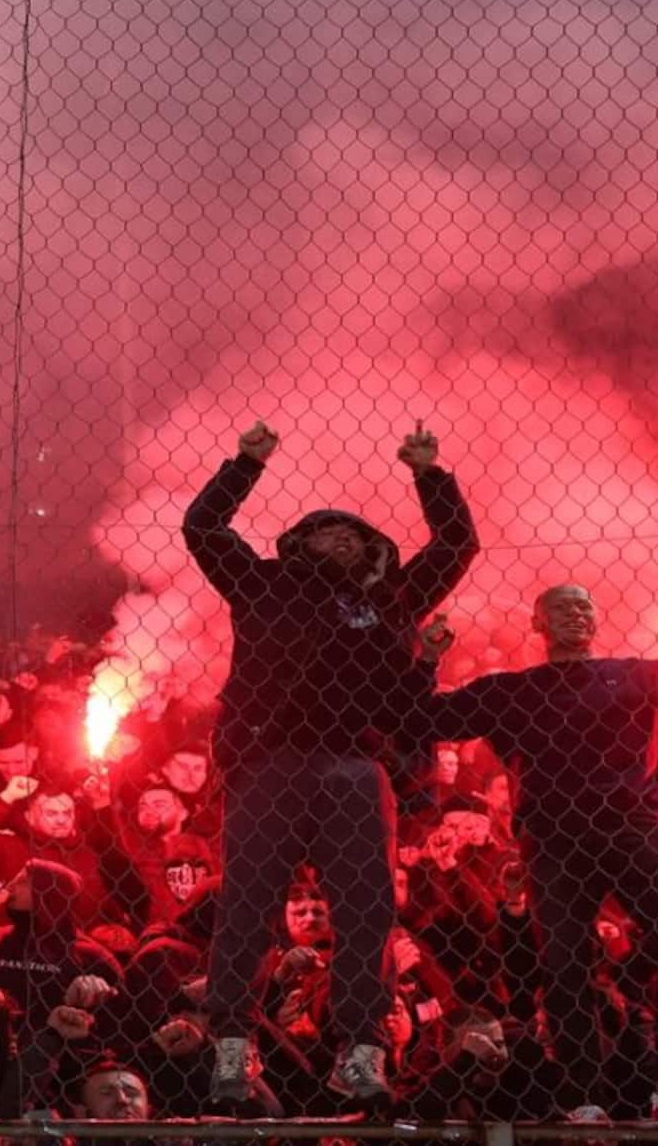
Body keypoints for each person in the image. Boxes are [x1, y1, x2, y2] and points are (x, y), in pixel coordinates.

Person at [183, 421, 478, 1110]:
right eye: (324, 530)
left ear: (374, 550)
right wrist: (247, 463)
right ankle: (232, 1043)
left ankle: (361, 1051)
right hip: (269, 762)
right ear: (297, 544)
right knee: (249, 910)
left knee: (369, 913)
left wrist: (430, 474)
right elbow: (203, 526)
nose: (341, 538)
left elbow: (458, 543)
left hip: (355, 763)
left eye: (354, 534)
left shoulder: (393, 597)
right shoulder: (261, 585)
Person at [420, 576, 658, 1117]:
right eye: (560, 606)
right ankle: (582, 1096)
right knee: (564, 963)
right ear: (537, 623)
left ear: (596, 620)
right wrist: (426, 660)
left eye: (584, 606)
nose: (576, 614)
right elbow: (426, 719)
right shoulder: (511, 690)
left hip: (632, 825)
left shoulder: (637, 675)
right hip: (555, 838)